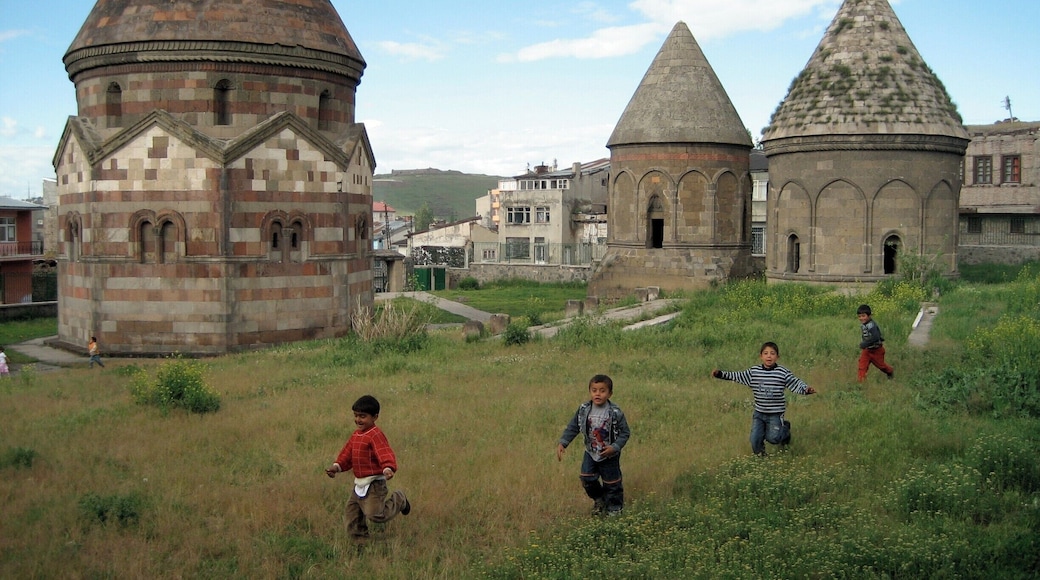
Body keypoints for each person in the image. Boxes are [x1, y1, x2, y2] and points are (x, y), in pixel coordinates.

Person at [326, 395, 410, 543]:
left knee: (375, 515)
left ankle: (400, 499)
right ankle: (360, 543)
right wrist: (336, 467)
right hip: (359, 484)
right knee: (352, 515)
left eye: (362, 416)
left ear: (375, 417)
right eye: (356, 415)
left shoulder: (375, 435)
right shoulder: (356, 435)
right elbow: (347, 455)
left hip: (374, 484)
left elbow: (384, 452)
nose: (358, 419)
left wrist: (388, 468)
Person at [711, 341, 815, 456]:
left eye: (772, 353)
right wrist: (720, 374)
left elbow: (795, 382)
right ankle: (762, 458)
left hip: (775, 413)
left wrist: (806, 389)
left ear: (777, 357)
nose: (769, 356)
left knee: (773, 438)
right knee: (755, 439)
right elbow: (737, 376)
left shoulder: (782, 372)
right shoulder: (754, 372)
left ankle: (785, 429)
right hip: (759, 413)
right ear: (761, 356)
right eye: (766, 353)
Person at [557, 374, 631, 516]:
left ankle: (615, 510)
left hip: (609, 455)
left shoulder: (615, 412)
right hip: (591, 452)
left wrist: (614, 447)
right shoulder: (584, 409)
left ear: (610, 394)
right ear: (590, 391)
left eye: (602, 391)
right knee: (587, 478)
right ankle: (600, 499)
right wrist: (563, 443)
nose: (598, 394)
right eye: (594, 390)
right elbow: (573, 426)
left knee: (612, 483)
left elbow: (625, 433)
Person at [857, 304, 893, 382]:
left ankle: (890, 371)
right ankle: (861, 383)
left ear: (869, 316)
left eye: (863, 316)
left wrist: (865, 343)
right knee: (862, 366)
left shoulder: (871, 325)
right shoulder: (863, 325)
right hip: (867, 350)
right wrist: (864, 343)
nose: (861, 318)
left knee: (881, 366)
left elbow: (875, 337)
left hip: (876, 350)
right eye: (859, 316)